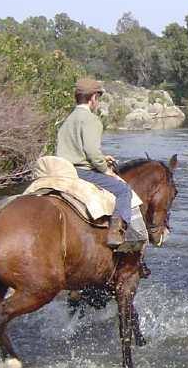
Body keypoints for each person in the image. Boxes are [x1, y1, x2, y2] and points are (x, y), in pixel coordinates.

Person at [56, 78, 146, 250]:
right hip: (81, 172)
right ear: (93, 98)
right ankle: (116, 232)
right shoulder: (90, 119)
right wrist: (106, 169)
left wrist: (102, 157)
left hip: (63, 169)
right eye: (98, 97)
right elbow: (91, 151)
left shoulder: (69, 119)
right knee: (123, 190)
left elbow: (74, 148)